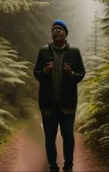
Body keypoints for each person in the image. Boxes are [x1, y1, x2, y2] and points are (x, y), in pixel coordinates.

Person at [33, 19, 85, 172]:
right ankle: (53, 167)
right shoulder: (43, 51)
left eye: (59, 29)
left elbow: (81, 74)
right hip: (48, 103)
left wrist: (71, 74)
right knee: (50, 137)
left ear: (65, 33)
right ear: (52, 33)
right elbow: (36, 73)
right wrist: (44, 72)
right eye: (54, 29)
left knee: (68, 135)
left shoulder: (74, 52)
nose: (56, 31)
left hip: (68, 103)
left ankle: (68, 166)